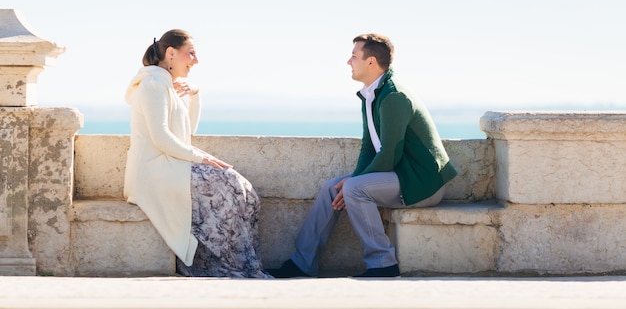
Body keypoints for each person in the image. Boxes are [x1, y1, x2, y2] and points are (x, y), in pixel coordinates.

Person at [268, 33, 457, 278]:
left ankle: (383, 264)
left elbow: (389, 154)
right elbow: (369, 147)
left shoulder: (393, 96)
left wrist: (355, 183)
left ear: (371, 62)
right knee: (331, 188)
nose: (348, 61)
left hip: (422, 183)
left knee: (353, 188)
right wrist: (354, 179)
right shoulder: (371, 94)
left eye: (354, 56)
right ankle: (302, 263)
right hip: (399, 175)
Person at [123, 29, 271, 278]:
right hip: (153, 171)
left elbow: (187, 132)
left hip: (169, 165)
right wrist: (202, 158)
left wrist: (195, 96)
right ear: (171, 53)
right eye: (190, 53)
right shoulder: (152, 84)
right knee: (227, 184)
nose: (196, 60)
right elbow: (161, 139)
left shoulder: (166, 86)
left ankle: (246, 264)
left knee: (242, 188)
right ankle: (225, 266)